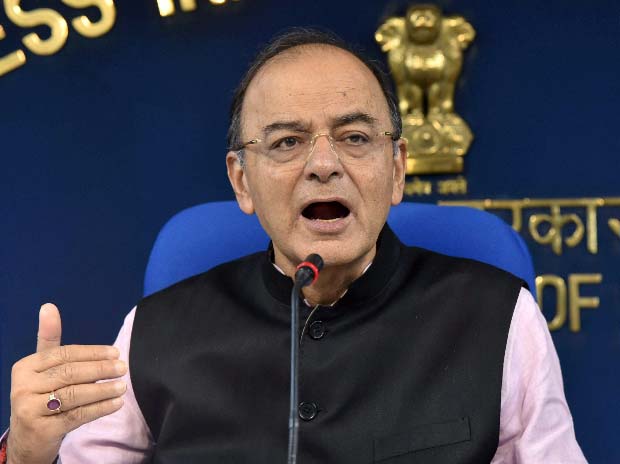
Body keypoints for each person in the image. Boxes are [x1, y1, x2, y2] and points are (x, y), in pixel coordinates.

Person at [2, 29, 586, 464]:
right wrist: (28, 453)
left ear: (398, 168)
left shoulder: (498, 317)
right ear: (241, 181)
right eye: (287, 142)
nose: (325, 165)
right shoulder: (152, 332)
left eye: (355, 137)